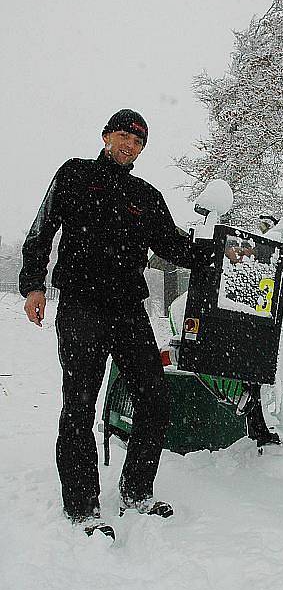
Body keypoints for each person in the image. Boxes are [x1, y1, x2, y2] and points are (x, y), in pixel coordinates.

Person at [19, 109, 194, 538]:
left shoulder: (146, 195)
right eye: (122, 137)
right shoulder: (75, 175)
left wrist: (217, 251)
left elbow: (172, 245)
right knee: (80, 404)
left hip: (128, 310)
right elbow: (42, 230)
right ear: (105, 136)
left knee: (154, 395)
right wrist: (33, 286)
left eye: (137, 143)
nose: (129, 146)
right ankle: (82, 507)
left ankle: (136, 491)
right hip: (81, 306)